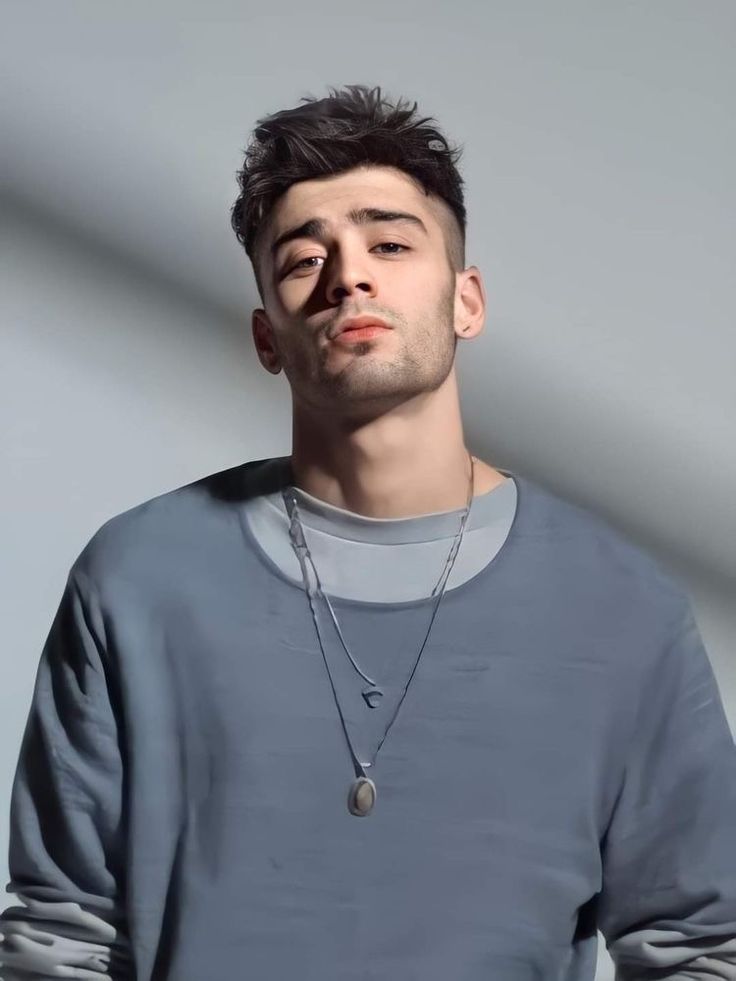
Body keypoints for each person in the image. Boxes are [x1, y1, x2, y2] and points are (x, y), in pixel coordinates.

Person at [1, 83, 735, 981]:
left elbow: (703, 949)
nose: (351, 274)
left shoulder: (621, 608)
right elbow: (59, 936)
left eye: (389, 243)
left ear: (467, 301)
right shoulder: (139, 579)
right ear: (268, 337)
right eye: (306, 259)